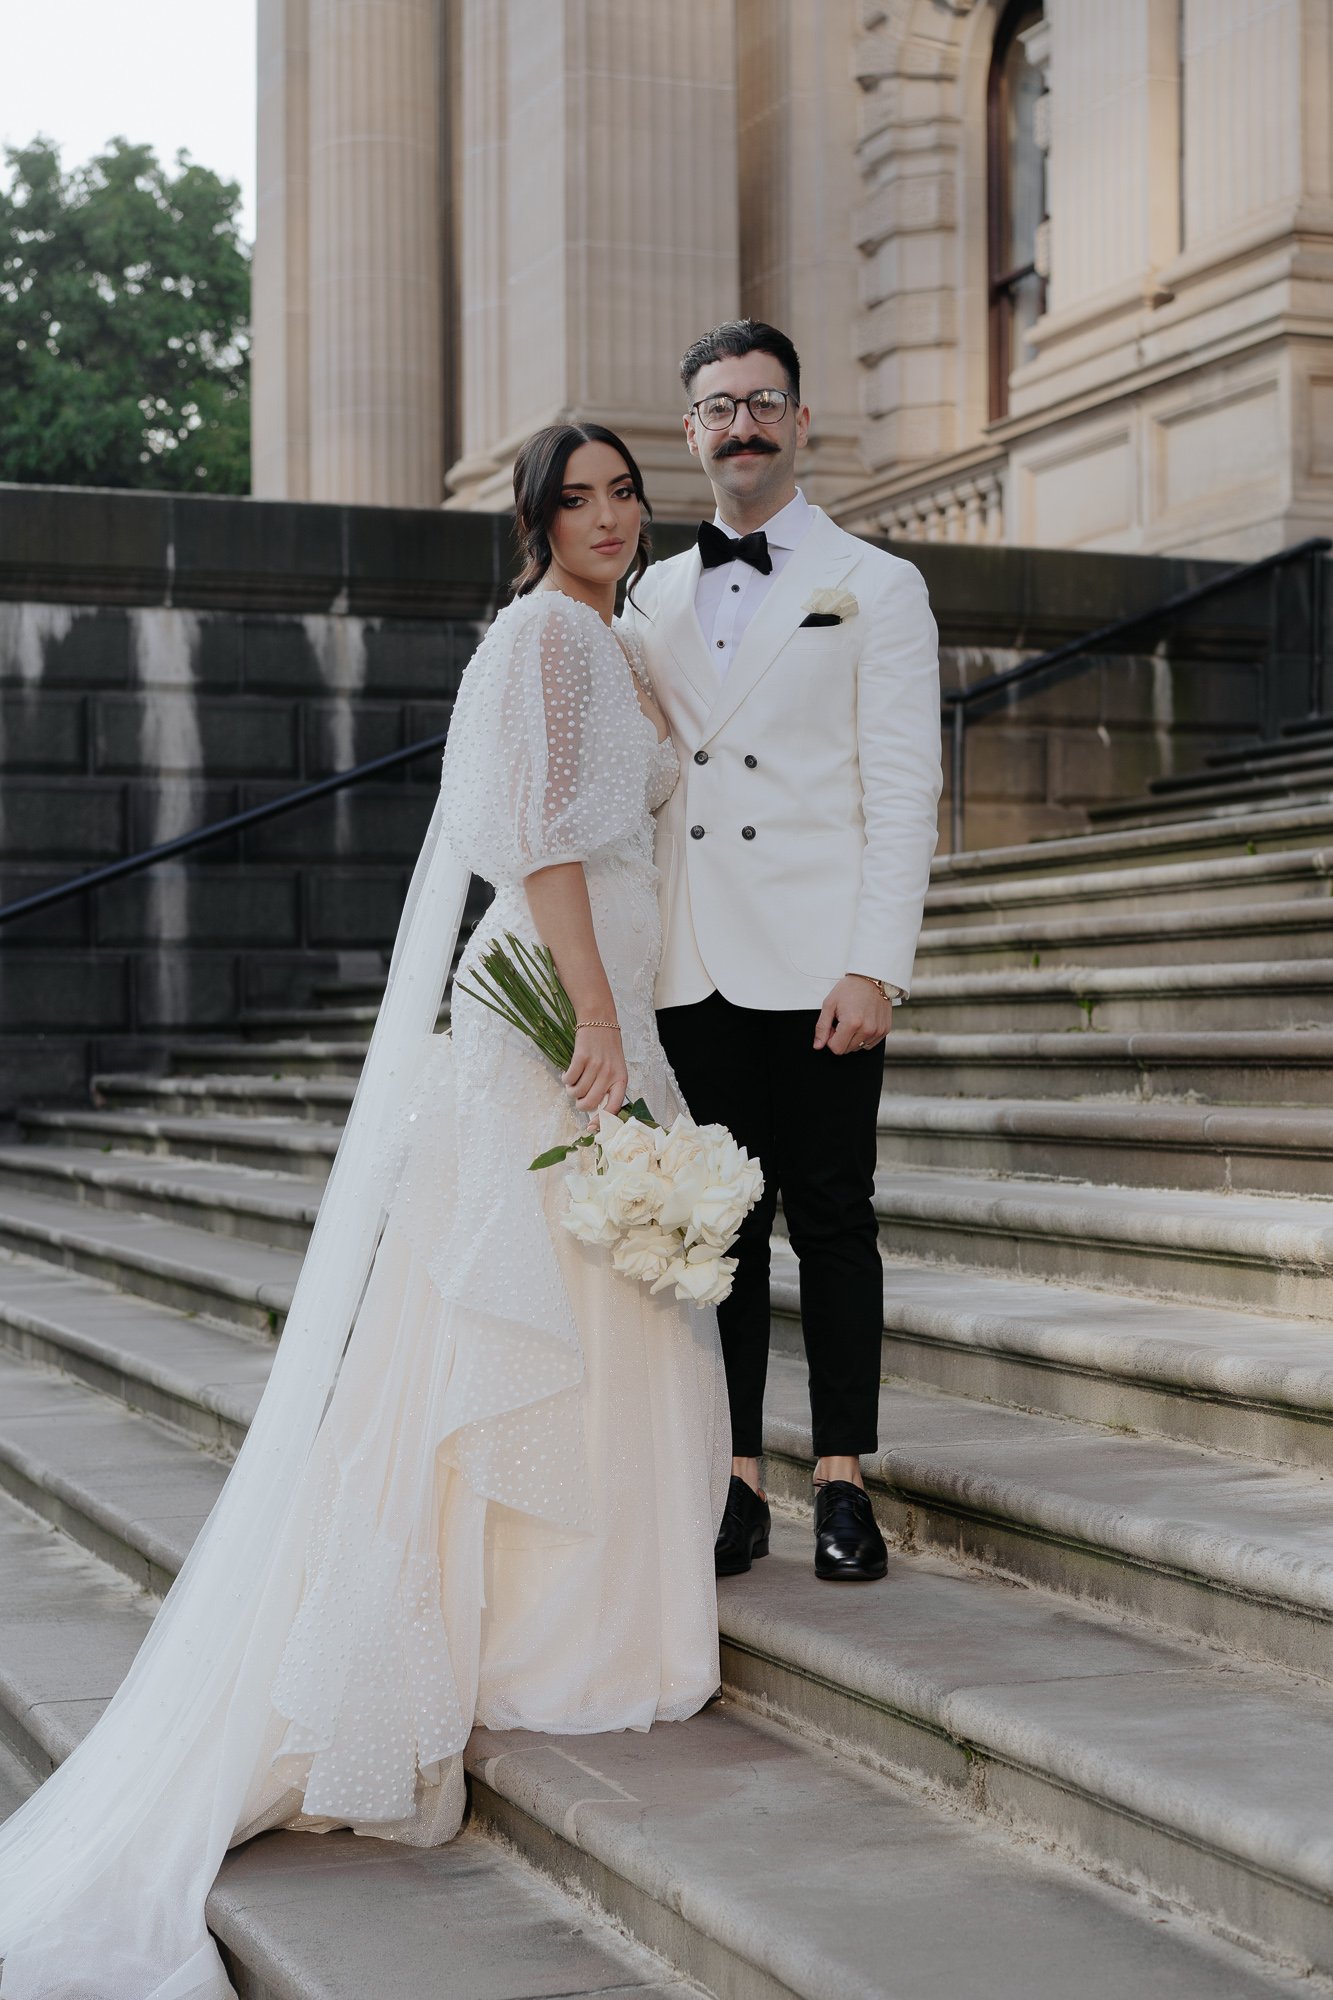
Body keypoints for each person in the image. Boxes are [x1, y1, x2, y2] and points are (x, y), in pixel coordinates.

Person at [0, 423, 729, 2000]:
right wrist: (592, 1020)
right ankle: (535, 1642)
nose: (608, 519)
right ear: (533, 520)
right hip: (552, 997)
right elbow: (534, 841)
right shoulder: (541, 636)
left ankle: (591, 1626)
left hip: (605, 989)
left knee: (611, 1301)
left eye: (624, 494)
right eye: (577, 499)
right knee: (527, 1307)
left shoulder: (616, 636)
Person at [622, 319, 942, 1585]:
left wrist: (877, 963)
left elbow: (903, 791)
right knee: (722, 1230)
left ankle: (845, 1480)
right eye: (715, 406)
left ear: (800, 422)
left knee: (833, 1214)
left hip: (818, 961)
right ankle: (735, 1475)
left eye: (761, 402)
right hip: (690, 956)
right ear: (691, 430)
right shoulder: (646, 590)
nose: (739, 424)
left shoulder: (878, 583)